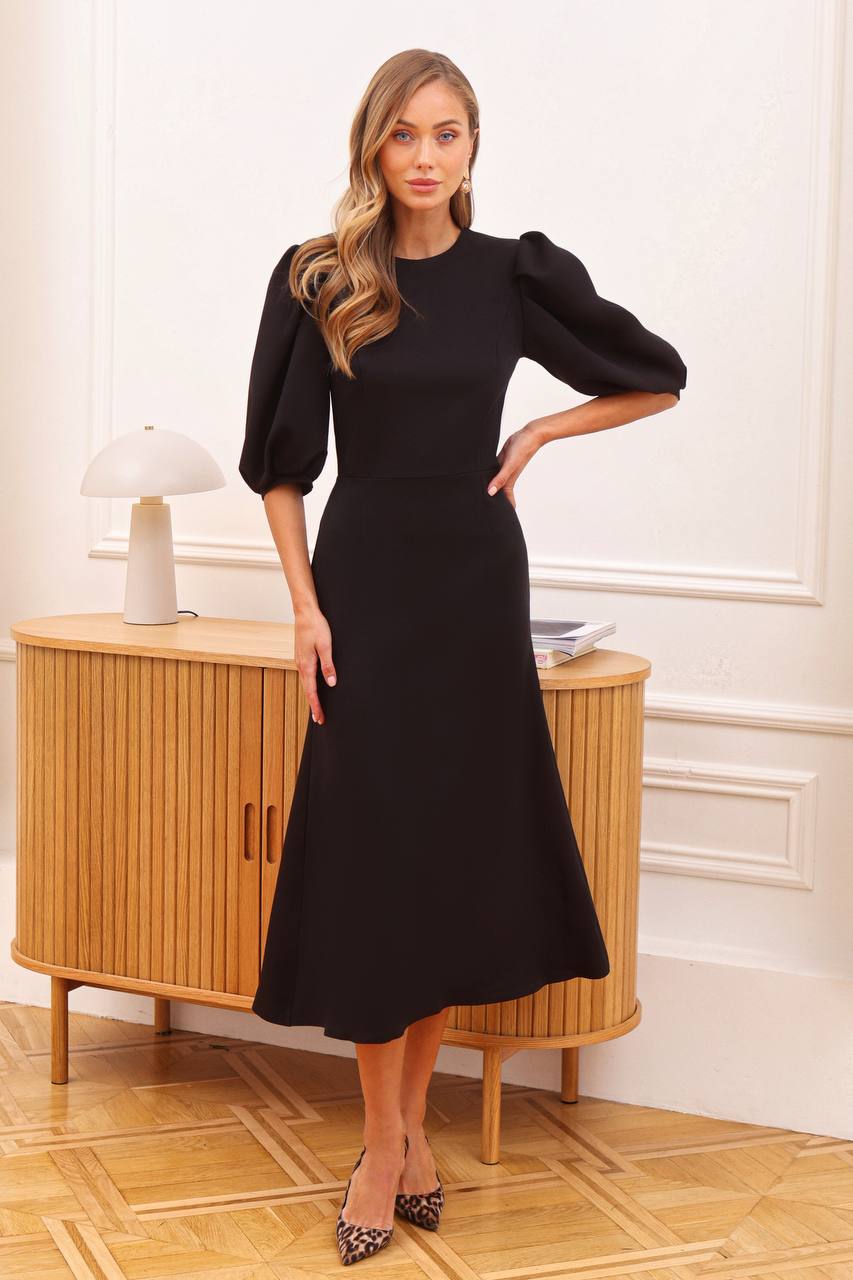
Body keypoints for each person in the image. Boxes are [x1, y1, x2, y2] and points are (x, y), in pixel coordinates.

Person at [238, 49, 687, 1268]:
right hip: (365, 585)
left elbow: (656, 375)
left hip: (475, 587)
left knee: (438, 861)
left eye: (445, 134)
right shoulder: (318, 276)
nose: (424, 156)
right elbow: (279, 462)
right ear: (371, 149)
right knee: (377, 860)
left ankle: (403, 1132)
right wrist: (304, 606)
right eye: (402, 136)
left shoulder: (512, 274)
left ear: (471, 148)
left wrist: (545, 420)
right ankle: (385, 1142)